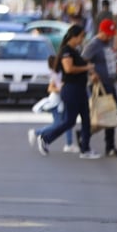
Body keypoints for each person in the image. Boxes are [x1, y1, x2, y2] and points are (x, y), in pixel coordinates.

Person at [34, 24, 100, 159]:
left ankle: (85, 149)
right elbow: (69, 69)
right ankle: (45, 138)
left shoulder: (75, 50)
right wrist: (87, 68)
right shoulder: (67, 51)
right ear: (74, 37)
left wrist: (90, 73)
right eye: (81, 37)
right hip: (71, 89)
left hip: (80, 89)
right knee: (69, 121)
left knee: (86, 120)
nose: (82, 40)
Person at [83, 18, 117, 157]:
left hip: (110, 83)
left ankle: (110, 146)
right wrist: (92, 73)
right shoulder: (94, 44)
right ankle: (85, 137)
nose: (109, 36)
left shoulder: (108, 43)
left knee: (111, 114)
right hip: (100, 84)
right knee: (102, 115)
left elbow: (115, 55)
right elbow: (83, 61)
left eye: (111, 35)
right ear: (101, 31)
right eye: (107, 34)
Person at [29, 55, 77, 153]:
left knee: (68, 123)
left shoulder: (61, 73)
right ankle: (37, 133)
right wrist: (61, 89)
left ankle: (69, 144)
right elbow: (50, 88)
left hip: (63, 102)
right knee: (58, 124)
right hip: (56, 103)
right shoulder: (55, 74)